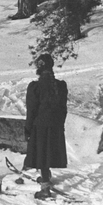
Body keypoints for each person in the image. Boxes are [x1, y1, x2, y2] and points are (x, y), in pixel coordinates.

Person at [23, 53, 68, 191]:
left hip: (40, 125)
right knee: (48, 152)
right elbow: (63, 109)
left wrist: (28, 128)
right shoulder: (60, 86)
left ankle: (45, 185)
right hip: (55, 125)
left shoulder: (35, 87)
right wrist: (60, 125)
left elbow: (31, 111)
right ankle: (46, 175)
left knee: (41, 154)